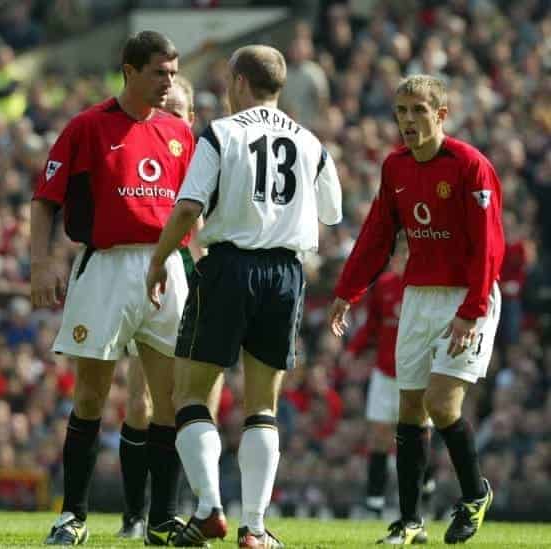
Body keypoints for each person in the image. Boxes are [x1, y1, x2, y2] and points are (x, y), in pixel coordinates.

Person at [146, 45, 342, 548]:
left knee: (189, 393)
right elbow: (333, 211)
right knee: (263, 405)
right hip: (285, 274)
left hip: (230, 266)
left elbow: (189, 207)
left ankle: (210, 508)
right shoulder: (311, 142)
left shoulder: (220, 133)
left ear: (238, 81)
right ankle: (254, 528)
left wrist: (158, 259)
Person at [31, 31, 196, 546]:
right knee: (91, 393)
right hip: (104, 268)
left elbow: (194, 210)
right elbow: (45, 200)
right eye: (158, 73)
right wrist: (41, 264)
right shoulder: (87, 126)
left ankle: (162, 519)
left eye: (173, 73)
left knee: (166, 397)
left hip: (166, 268)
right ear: (129, 70)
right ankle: (73, 515)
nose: (168, 83)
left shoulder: (179, 133)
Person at [329, 74, 504, 545]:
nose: (408, 121)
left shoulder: (470, 165)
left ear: (441, 114)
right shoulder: (395, 167)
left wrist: (472, 308)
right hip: (419, 296)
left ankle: (474, 494)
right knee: (409, 407)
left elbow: (489, 245)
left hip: (469, 296)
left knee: (441, 402)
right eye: (401, 112)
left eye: (418, 111)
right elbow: (377, 234)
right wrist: (349, 289)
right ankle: (410, 521)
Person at [117, 75, 225, 541]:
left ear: (192, 118)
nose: (170, 121)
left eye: (179, 113)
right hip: (150, 275)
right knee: (142, 402)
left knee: (196, 404)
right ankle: (134, 512)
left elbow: (206, 224)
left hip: (191, 278)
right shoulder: (149, 152)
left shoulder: (208, 159)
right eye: (166, 112)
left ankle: (192, 505)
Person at [344, 238, 436, 518]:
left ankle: (426, 489)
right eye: (400, 253)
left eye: (409, 253)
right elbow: (372, 325)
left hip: (418, 373)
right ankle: (374, 504)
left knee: (418, 436)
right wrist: (353, 351)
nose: (404, 258)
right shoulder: (383, 286)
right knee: (379, 437)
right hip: (385, 373)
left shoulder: (426, 289)